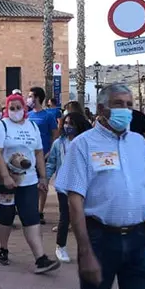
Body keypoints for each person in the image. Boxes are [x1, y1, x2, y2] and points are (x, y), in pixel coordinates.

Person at [54, 83, 145, 289]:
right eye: (119, 103)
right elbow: (75, 201)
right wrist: (85, 251)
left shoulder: (139, 144)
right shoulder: (83, 145)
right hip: (101, 240)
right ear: (102, 109)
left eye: (129, 104)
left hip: (138, 240)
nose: (126, 110)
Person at [0, 94, 60, 274]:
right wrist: (6, 177)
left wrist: (43, 177)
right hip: (4, 180)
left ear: (25, 109)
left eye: (18, 107)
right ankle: (3, 248)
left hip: (28, 180)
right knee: (6, 214)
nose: (15, 111)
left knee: (31, 216)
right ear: (6, 109)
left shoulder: (32, 126)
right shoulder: (1, 126)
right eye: (11, 108)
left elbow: (38, 153)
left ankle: (40, 258)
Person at [46, 112, 92, 263]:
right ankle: (61, 246)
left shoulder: (86, 142)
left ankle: (87, 249)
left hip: (83, 185)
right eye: (65, 123)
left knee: (85, 217)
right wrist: (45, 179)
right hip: (64, 185)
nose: (67, 126)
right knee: (65, 216)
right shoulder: (59, 143)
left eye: (71, 124)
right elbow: (51, 162)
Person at [27, 86, 59, 224]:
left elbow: (55, 135)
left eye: (30, 96)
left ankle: (40, 211)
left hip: (44, 155)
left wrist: (49, 153)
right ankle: (31, 209)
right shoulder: (28, 116)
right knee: (30, 184)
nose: (28, 99)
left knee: (42, 183)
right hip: (29, 156)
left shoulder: (48, 116)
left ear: (37, 98)